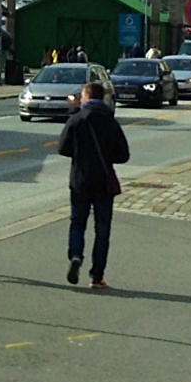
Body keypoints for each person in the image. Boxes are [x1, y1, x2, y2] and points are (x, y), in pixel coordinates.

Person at [57, 80, 129, 288]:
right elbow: (123, 154)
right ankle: (97, 276)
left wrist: (79, 153)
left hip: (80, 179)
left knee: (77, 222)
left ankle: (76, 255)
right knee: (102, 229)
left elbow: (62, 148)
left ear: (87, 96)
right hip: (103, 182)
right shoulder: (110, 121)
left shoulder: (76, 119)